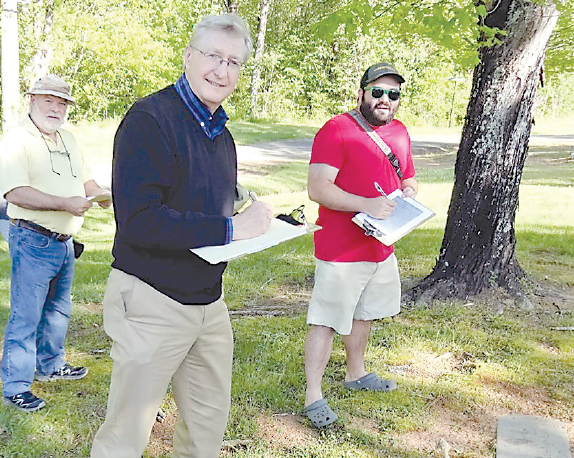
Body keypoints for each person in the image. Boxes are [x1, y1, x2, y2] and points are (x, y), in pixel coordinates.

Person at [90, 13, 273, 458]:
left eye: (233, 62)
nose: (221, 70)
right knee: (125, 435)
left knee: (207, 428)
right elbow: (140, 220)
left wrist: (250, 220)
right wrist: (231, 227)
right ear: (189, 56)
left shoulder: (220, 134)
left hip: (209, 302)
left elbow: (202, 208)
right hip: (152, 299)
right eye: (212, 56)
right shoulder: (149, 119)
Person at [304, 62, 418, 428]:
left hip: (381, 245)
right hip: (341, 249)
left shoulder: (399, 132)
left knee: (365, 313)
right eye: (378, 92)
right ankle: (313, 395)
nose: (386, 100)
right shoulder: (336, 130)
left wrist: (410, 194)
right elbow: (318, 188)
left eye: (394, 94)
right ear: (362, 93)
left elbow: (408, 176)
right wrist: (366, 204)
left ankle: (356, 374)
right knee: (325, 321)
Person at [0, 74, 111, 412]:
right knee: (26, 315)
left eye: (62, 102)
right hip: (32, 238)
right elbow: (15, 193)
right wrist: (65, 204)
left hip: (64, 242)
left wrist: (104, 195)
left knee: (59, 310)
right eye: (49, 100)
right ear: (32, 100)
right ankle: (15, 385)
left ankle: (51, 366)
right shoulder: (16, 139)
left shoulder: (68, 139)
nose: (56, 107)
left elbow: (87, 181)